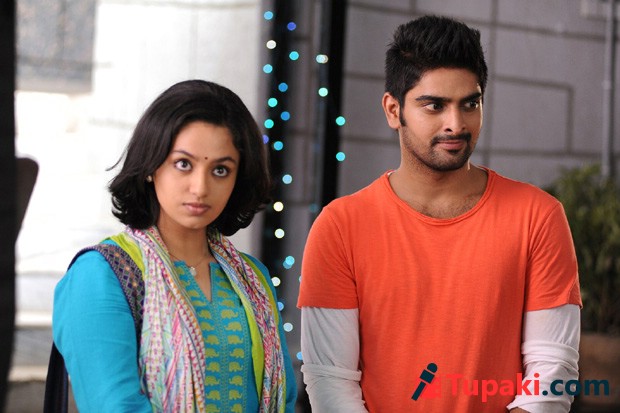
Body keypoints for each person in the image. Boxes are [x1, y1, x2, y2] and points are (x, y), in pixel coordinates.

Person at [297, 15, 581, 413]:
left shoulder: (539, 216)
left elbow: (551, 375)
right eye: (435, 105)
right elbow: (331, 383)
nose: (456, 124)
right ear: (393, 110)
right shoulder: (339, 226)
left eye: (470, 104)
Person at [53, 80, 297, 412]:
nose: (200, 187)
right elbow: (114, 406)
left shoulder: (252, 278)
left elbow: (284, 400)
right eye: (184, 164)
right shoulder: (100, 276)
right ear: (151, 166)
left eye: (220, 170)